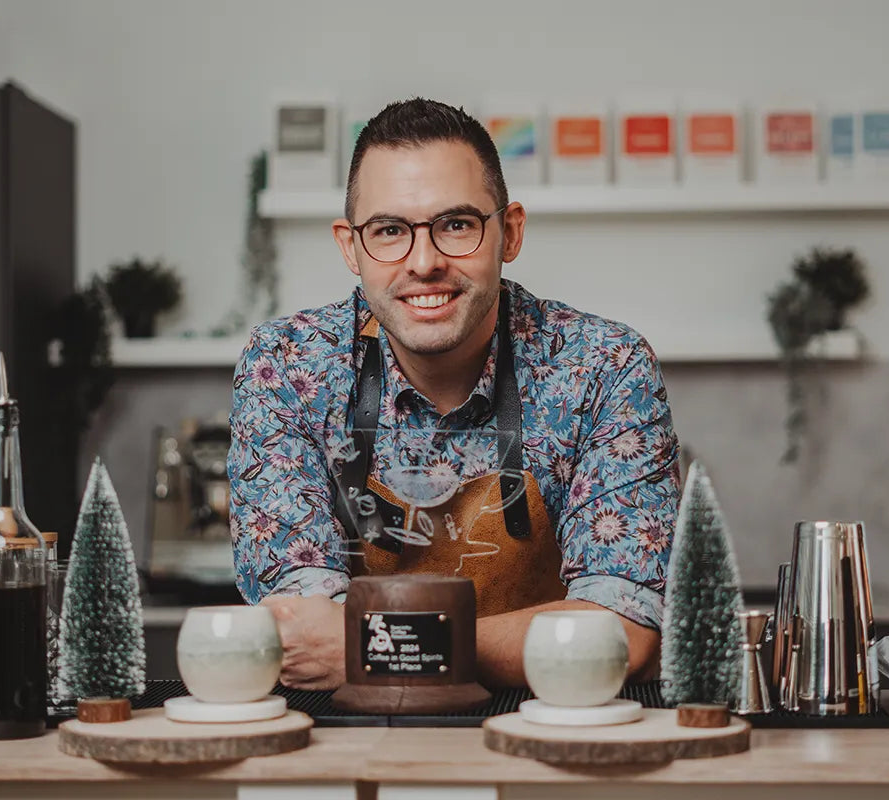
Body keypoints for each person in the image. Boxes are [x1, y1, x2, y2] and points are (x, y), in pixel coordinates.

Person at [228, 97, 681, 690]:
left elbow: (625, 632)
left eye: (457, 225)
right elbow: (303, 630)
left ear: (510, 232)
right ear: (350, 247)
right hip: (347, 749)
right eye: (389, 231)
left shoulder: (604, 368)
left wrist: (376, 648)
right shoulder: (286, 368)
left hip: (549, 747)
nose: (424, 262)